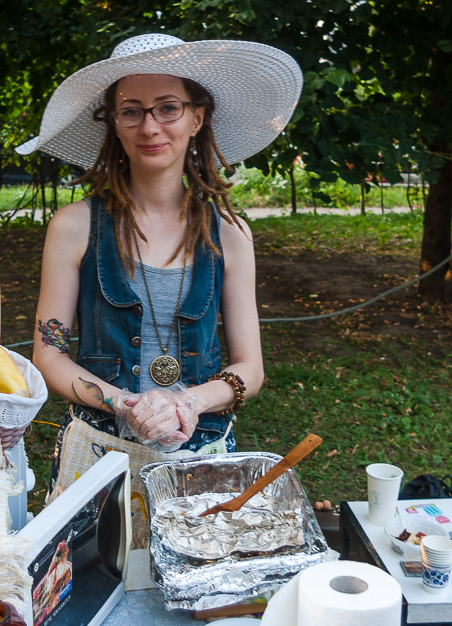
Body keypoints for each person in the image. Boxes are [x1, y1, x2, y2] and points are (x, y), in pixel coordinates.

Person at [17, 32, 302, 543]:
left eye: (167, 108)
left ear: (197, 118)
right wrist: (126, 404)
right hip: (98, 453)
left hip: (201, 454)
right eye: (132, 111)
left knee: (194, 596)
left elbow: (250, 369)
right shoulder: (74, 226)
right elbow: (49, 353)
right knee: (89, 590)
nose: (150, 126)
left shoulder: (231, 235)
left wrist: (187, 403)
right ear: (115, 125)